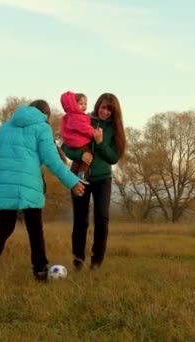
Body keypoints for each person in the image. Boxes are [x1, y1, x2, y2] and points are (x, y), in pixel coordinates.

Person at [0, 99, 86, 282]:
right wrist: (72, 182)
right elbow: (53, 161)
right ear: (45, 116)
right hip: (30, 186)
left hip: (6, 185)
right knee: (34, 229)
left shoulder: (7, 126)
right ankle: (40, 271)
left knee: (4, 226)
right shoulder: (42, 128)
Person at [61, 93, 126, 271]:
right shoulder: (83, 119)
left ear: (114, 112)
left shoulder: (114, 128)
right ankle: (78, 260)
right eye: (102, 107)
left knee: (102, 219)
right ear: (97, 105)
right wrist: (81, 155)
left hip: (102, 178)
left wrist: (100, 143)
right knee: (80, 220)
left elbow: (113, 158)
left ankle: (96, 261)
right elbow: (66, 146)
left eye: (109, 109)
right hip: (80, 177)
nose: (104, 111)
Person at [60, 91, 94, 184]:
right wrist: (93, 132)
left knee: (77, 160)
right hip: (78, 141)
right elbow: (84, 128)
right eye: (81, 104)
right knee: (88, 154)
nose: (84, 106)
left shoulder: (69, 116)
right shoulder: (77, 116)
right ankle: (81, 174)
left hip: (71, 142)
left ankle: (72, 175)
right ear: (74, 105)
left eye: (85, 104)